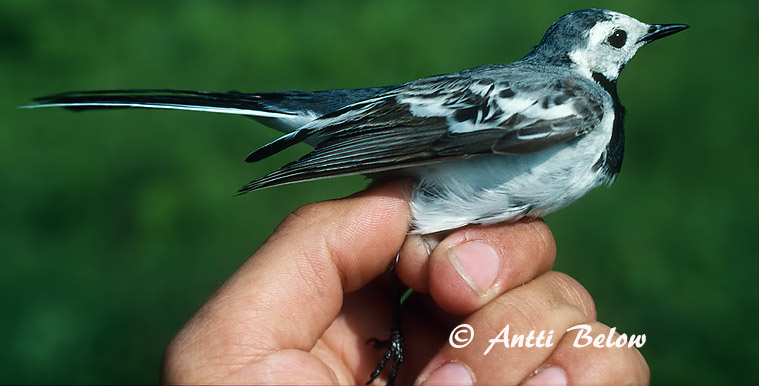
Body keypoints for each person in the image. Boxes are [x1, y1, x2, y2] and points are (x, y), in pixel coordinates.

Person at [161, 180, 649, 385]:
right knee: (435, 258)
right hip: (401, 239)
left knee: (458, 270)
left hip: (403, 323)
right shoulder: (577, 102)